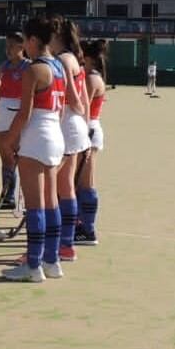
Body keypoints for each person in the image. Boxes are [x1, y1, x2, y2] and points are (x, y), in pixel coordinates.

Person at [0, 17, 67, 283]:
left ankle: (33, 265)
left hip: (37, 135)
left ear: (33, 41)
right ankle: (52, 262)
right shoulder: (59, 66)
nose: (24, 46)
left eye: (26, 41)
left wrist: (9, 140)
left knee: (35, 205)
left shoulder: (34, 70)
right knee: (51, 202)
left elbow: (25, 114)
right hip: (54, 134)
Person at [52, 17, 91, 264]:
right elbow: (85, 102)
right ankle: (65, 244)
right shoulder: (74, 59)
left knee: (57, 188)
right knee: (64, 187)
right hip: (74, 127)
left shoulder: (62, 60)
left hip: (65, 125)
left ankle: (60, 244)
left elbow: (75, 99)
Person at [75, 39, 107, 245]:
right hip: (87, 129)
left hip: (88, 131)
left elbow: (82, 107)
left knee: (85, 183)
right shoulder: (90, 76)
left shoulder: (91, 79)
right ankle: (80, 224)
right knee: (78, 183)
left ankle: (88, 230)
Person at [0, 31, 29, 206]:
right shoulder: (4, 66)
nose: (7, 49)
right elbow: (1, 86)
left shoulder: (28, 67)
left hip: (18, 112)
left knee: (18, 155)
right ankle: (7, 196)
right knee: (4, 154)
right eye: (6, 45)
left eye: (11, 46)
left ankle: (24, 196)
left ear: (22, 47)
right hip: (3, 112)